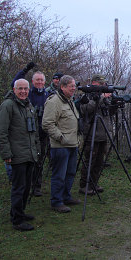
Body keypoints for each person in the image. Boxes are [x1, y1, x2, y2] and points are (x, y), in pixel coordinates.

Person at [0, 79, 40, 231]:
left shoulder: (28, 105)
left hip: (29, 154)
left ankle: (19, 211)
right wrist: (6, 153)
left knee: (27, 186)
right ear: (14, 90)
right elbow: (1, 132)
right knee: (19, 187)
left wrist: (37, 149)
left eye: (26, 89)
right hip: (16, 155)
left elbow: (34, 132)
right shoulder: (8, 105)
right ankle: (17, 220)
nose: (23, 91)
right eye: (20, 88)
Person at [42, 75, 81, 213]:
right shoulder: (54, 102)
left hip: (72, 144)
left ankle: (66, 196)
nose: (74, 89)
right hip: (61, 146)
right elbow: (47, 124)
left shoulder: (69, 100)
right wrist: (60, 137)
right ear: (63, 87)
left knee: (70, 173)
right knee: (59, 174)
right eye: (71, 86)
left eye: (74, 86)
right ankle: (56, 201)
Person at [12, 62, 49, 196]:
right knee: (29, 161)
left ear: (45, 82)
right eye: (37, 80)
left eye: (41, 80)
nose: (39, 82)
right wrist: (25, 70)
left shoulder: (47, 94)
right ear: (32, 81)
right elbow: (15, 83)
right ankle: (25, 184)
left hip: (43, 134)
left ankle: (36, 186)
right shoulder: (27, 93)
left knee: (40, 161)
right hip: (29, 133)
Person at [78, 74, 111, 195]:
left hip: (102, 133)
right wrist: (100, 97)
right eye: (100, 84)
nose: (102, 86)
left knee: (99, 161)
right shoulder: (86, 94)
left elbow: (109, 113)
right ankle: (84, 185)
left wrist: (108, 99)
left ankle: (94, 183)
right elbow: (85, 109)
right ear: (94, 83)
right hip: (91, 133)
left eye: (103, 84)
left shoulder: (103, 96)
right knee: (90, 160)